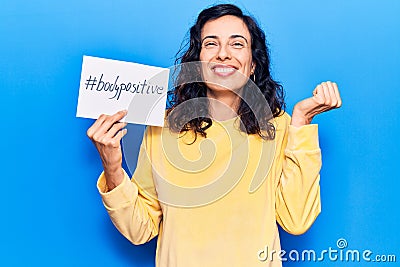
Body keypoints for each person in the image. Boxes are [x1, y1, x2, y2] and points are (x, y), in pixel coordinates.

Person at [87, 4, 341, 267]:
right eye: (211, 44)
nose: (222, 54)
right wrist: (113, 167)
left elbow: (296, 220)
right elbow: (141, 230)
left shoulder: (277, 126)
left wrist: (302, 122)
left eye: (237, 44)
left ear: (253, 63)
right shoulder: (163, 127)